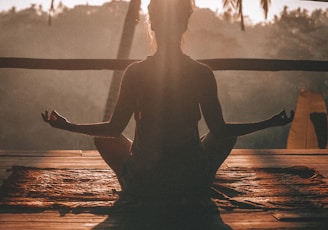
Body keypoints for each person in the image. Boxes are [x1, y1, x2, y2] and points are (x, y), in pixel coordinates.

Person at [42, 0, 294, 206]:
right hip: (191, 181)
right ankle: (202, 179)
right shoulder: (201, 72)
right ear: (185, 24)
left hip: (146, 182)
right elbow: (221, 130)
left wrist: (68, 125)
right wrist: (270, 122)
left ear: (152, 25)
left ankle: (132, 186)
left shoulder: (135, 72)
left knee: (104, 138)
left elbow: (113, 129)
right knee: (225, 135)